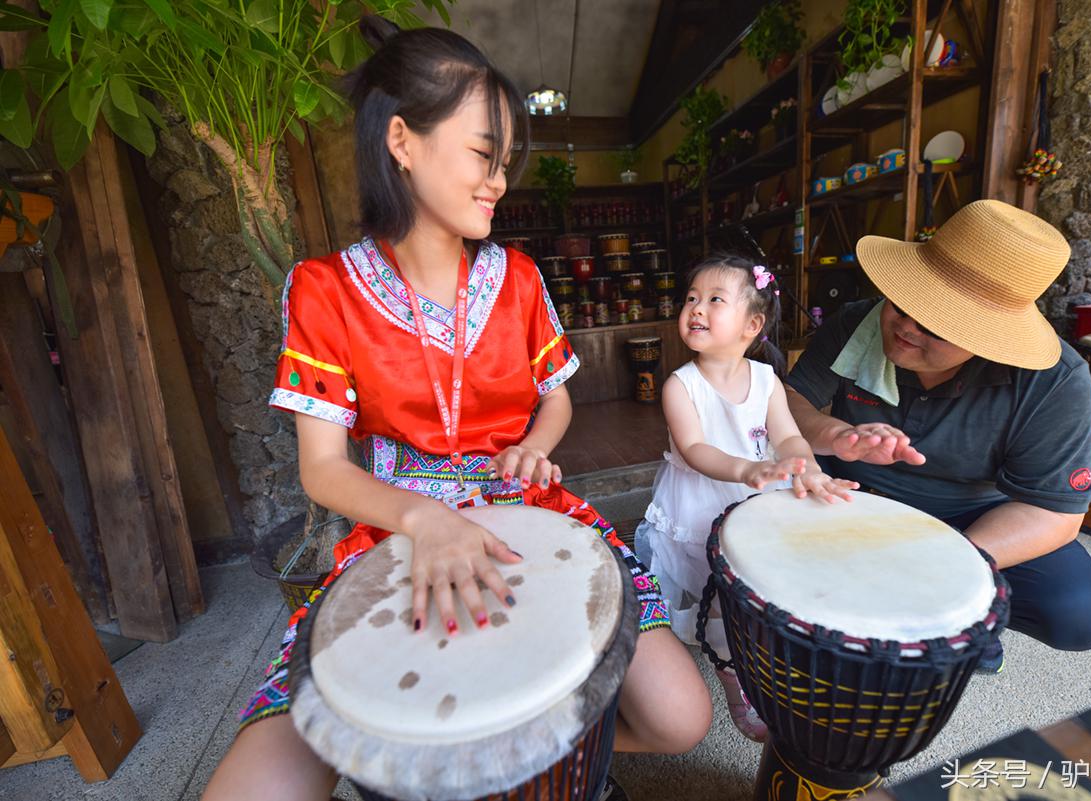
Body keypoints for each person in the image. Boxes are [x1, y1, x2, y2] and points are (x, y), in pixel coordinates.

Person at [203, 21, 711, 801]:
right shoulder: (323, 290)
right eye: (483, 154)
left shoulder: (518, 277)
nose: (498, 180)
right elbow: (323, 468)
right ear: (401, 141)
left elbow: (557, 397)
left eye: (506, 163)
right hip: (395, 525)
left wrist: (536, 446)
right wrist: (424, 520)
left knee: (682, 718)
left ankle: (546, 769)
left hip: (532, 506)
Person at [785, 199, 1091, 676]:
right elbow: (785, 405)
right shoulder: (855, 323)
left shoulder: (1054, 381)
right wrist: (834, 434)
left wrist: (951, 565)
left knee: (1079, 614)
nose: (904, 327)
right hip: (853, 494)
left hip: (972, 515)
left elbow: (1054, 513)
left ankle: (969, 614)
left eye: (935, 324)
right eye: (902, 303)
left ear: (992, 337)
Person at [635, 254, 857, 741]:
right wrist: (747, 468)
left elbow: (790, 437)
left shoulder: (766, 380)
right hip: (702, 500)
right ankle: (735, 675)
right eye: (691, 298)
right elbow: (694, 449)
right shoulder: (680, 385)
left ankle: (775, 653)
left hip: (759, 492)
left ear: (752, 325)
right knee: (720, 596)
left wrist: (809, 469)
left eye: (714, 300)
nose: (696, 308)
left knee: (767, 580)